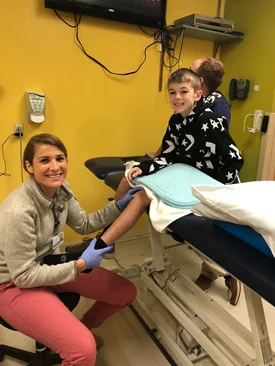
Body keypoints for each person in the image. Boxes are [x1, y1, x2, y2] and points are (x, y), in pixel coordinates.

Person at [90, 68, 244, 308]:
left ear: (198, 94)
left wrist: (216, 190)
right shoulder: (176, 120)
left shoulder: (210, 121)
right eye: (172, 92)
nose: (177, 97)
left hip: (211, 183)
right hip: (184, 175)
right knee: (132, 183)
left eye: (184, 91)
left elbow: (235, 159)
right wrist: (147, 166)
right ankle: (103, 241)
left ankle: (100, 246)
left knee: (142, 198)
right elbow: (171, 155)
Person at [0, 133, 138, 366]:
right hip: (12, 283)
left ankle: (78, 332)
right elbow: (24, 276)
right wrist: (80, 265)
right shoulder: (19, 212)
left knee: (125, 292)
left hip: (44, 263)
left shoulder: (61, 190)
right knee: (84, 352)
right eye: (44, 160)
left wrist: (118, 206)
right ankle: (77, 345)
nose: (55, 167)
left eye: (60, 158)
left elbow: (84, 224)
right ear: (29, 166)